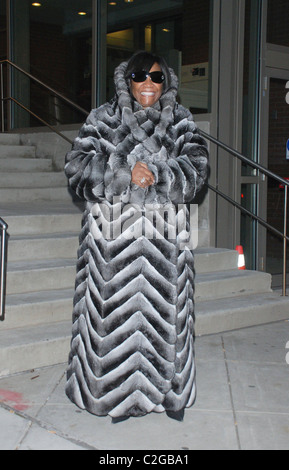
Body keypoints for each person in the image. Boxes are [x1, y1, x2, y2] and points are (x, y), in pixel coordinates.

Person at [64, 51, 209, 423]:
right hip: (112, 242)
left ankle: (168, 394)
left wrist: (158, 175)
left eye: (157, 77)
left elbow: (197, 172)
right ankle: (113, 397)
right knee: (110, 324)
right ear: (126, 80)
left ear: (167, 82)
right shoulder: (103, 118)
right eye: (140, 75)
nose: (148, 83)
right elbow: (76, 169)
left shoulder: (181, 120)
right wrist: (124, 174)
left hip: (165, 242)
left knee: (167, 319)